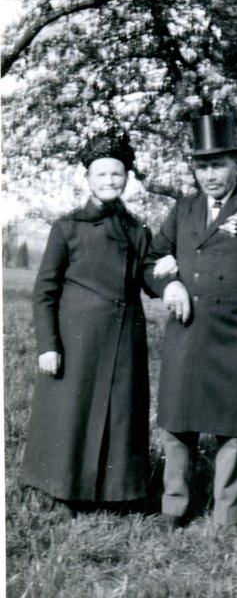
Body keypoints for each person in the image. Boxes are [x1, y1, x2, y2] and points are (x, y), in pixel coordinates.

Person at [144, 114, 237, 539]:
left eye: (218, 165)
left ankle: (226, 517)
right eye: (202, 166)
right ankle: (175, 505)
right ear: (193, 169)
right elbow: (150, 262)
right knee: (177, 423)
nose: (209, 174)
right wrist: (169, 284)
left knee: (232, 430)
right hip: (187, 333)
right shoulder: (183, 209)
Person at [22, 131, 153, 515]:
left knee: (120, 414)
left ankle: (116, 493)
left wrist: (168, 273)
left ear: (127, 177)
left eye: (117, 174)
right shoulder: (67, 228)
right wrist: (48, 345)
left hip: (125, 337)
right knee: (70, 415)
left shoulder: (137, 229)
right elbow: (44, 290)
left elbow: (148, 274)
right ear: (88, 179)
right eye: (102, 175)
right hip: (77, 339)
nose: (110, 181)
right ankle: (59, 488)